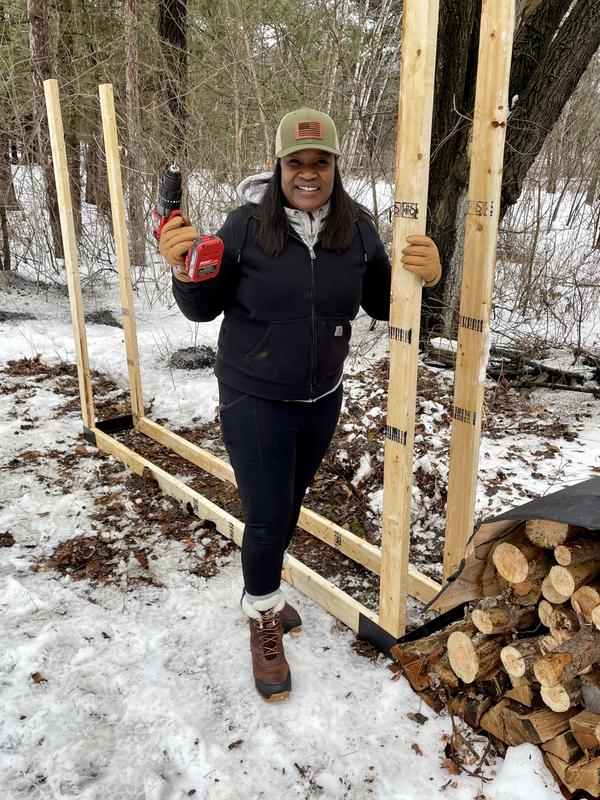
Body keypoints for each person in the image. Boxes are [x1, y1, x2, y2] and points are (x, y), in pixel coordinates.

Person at [159, 108, 441, 702]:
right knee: (266, 515)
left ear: (336, 166)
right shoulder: (244, 227)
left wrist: (426, 278)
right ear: (279, 165)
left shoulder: (357, 230)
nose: (308, 173)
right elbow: (202, 309)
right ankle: (263, 615)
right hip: (253, 394)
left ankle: (262, 589)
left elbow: (385, 304)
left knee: (288, 505)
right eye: (296, 162)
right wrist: (184, 271)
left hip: (320, 396)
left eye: (320, 162)